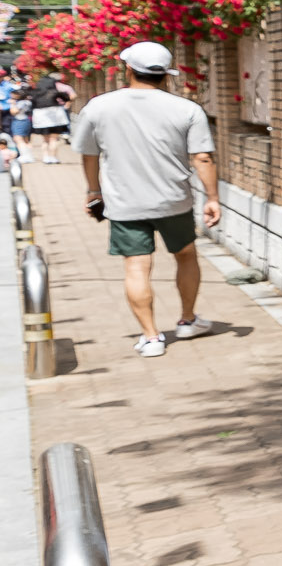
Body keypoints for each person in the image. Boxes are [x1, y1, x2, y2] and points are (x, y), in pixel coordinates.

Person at [76, 40, 219, 358]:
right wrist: (212, 197)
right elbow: (203, 158)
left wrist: (93, 192)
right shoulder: (187, 109)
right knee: (185, 256)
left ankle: (152, 337)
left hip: (125, 203)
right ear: (167, 75)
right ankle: (187, 320)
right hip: (174, 200)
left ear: (128, 69)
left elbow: (89, 154)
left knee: (137, 267)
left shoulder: (99, 106)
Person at [30, 70, 71, 162]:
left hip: (41, 118)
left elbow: (31, 105)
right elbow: (67, 98)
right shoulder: (54, 92)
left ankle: (46, 157)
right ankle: (53, 157)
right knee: (53, 139)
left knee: (45, 140)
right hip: (55, 117)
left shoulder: (35, 93)